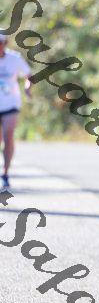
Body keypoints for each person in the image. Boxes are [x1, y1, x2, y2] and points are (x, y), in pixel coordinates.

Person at [0, 32, 32, 189]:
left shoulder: (14, 58)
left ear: (5, 43)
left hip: (10, 104)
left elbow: (28, 75)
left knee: (8, 137)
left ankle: (5, 173)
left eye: (0, 43)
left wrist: (27, 87)